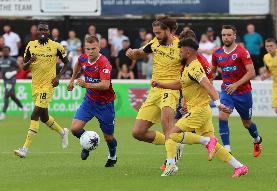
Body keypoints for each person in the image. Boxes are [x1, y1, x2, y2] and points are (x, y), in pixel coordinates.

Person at [152, 38, 248, 177]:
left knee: (173, 134)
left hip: (199, 110)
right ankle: (239, 166)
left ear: (188, 52)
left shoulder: (195, 67)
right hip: (200, 110)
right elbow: (181, 84)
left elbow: (207, 85)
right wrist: (161, 84)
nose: (179, 53)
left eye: (181, 50)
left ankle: (203, 143)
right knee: (214, 146)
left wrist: (218, 103)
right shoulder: (188, 67)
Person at [126, 16, 183, 168]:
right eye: (155, 33)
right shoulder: (155, 43)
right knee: (138, 132)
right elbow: (140, 52)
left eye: (158, 33)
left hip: (170, 90)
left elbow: (192, 69)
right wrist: (132, 52)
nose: (156, 36)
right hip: (154, 91)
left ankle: (171, 161)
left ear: (168, 31)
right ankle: (174, 144)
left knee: (166, 122)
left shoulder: (180, 47)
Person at [14, 22, 69, 158]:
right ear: (36, 32)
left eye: (45, 29)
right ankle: (63, 132)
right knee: (44, 117)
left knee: (35, 114)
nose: (42, 31)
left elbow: (66, 63)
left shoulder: (56, 47)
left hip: (48, 85)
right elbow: (24, 67)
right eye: (40, 29)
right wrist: (30, 61)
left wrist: (58, 77)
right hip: (35, 85)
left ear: (49, 32)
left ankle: (24, 149)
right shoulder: (31, 45)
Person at [212, 25, 262, 157]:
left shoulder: (242, 52)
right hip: (227, 91)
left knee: (246, 123)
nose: (226, 37)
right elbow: (211, 71)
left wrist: (236, 84)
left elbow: (251, 73)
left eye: (229, 35)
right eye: (223, 35)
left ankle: (257, 139)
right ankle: (227, 149)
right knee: (222, 116)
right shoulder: (217, 53)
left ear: (234, 36)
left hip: (243, 92)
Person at [67, 35, 118, 167]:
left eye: (93, 49)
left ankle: (112, 156)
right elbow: (78, 63)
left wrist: (86, 85)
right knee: (75, 129)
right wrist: (72, 79)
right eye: (87, 49)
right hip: (89, 101)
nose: (90, 52)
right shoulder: (83, 57)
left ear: (99, 47)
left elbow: (105, 85)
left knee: (108, 137)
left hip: (105, 104)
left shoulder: (104, 63)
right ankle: (87, 141)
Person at [0, 46, 28, 120]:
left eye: (7, 51)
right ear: (2, 51)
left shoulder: (12, 60)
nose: (5, 52)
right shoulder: (1, 60)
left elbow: (19, 68)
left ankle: (3, 113)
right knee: (12, 97)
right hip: (5, 81)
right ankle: (24, 108)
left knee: (6, 95)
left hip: (11, 80)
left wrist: (12, 73)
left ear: (9, 52)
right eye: (4, 51)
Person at [261, 38, 277, 124]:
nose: (269, 48)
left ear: (276, 46)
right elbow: (269, 71)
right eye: (267, 46)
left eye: (271, 46)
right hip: (276, 87)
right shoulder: (266, 57)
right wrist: (265, 76)